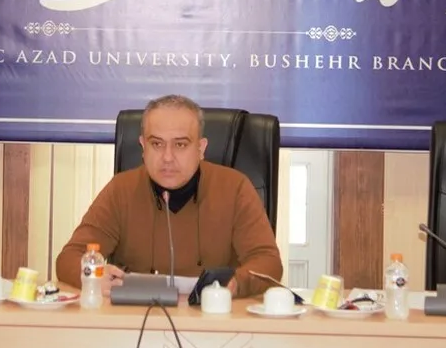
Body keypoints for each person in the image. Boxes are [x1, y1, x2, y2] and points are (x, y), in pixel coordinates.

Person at [55, 95, 283, 298]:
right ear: (143, 146)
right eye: (157, 144)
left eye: (180, 145)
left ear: (201, 148)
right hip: (135, 320)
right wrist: (93, 276)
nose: (167, 157)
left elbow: (268, 262)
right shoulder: (121, 189)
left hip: (214, 317)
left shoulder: (235, 188)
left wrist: (235, 284)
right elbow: (69, 258)